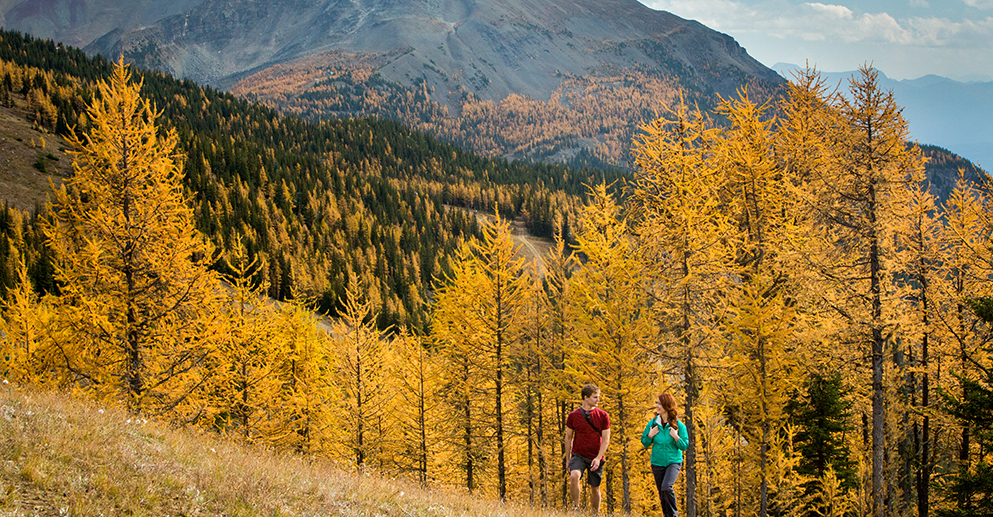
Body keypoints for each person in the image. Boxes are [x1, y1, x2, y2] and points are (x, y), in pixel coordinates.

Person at [563, 383, 611, 513]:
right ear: (586, 397)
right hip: (578, 454)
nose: (598, 400)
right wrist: (568, 459)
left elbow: (606, 439)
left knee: (595, 487)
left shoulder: (603, 416)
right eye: (595, 397)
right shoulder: (573, 416)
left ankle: (595, 513)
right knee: (574, 476)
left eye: (598, 397)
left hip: (596, 456)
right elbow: (568, 437)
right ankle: (576, 508)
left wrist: (598, 457)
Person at [641, 392, 689, 517]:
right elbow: (645, 443)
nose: (657, 406)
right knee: (662, 493)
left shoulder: (679, 426)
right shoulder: (653, 424)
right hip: (657, 462)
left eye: (659, 404)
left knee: (667, 487)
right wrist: (650, 435)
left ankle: (674, 515)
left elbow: (684, 446)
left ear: (666, 406)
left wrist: (676, 437)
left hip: (673, 461)